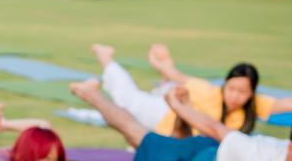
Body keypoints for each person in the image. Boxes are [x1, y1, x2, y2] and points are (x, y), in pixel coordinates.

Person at [70, 79, 292, 161]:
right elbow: (215, 128)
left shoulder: (281, 156)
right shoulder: (260, 157)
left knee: (149, 140)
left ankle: (181, 116)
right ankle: (91, 94)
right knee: (136, 135)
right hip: (199, 158)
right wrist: (176, 105)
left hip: (207, 153)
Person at [88, 43, 292, 137]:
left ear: (251, 93)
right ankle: (105, 57)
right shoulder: (209, 92)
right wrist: (162, 64)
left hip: (178, 133)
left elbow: (285, 104)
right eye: (232, 89)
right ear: (225, 85)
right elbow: (180, 77)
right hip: (162, 116)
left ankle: (162, 84)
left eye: (242, 92)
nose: (235, 96)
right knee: (125, 99)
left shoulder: (255, 105)